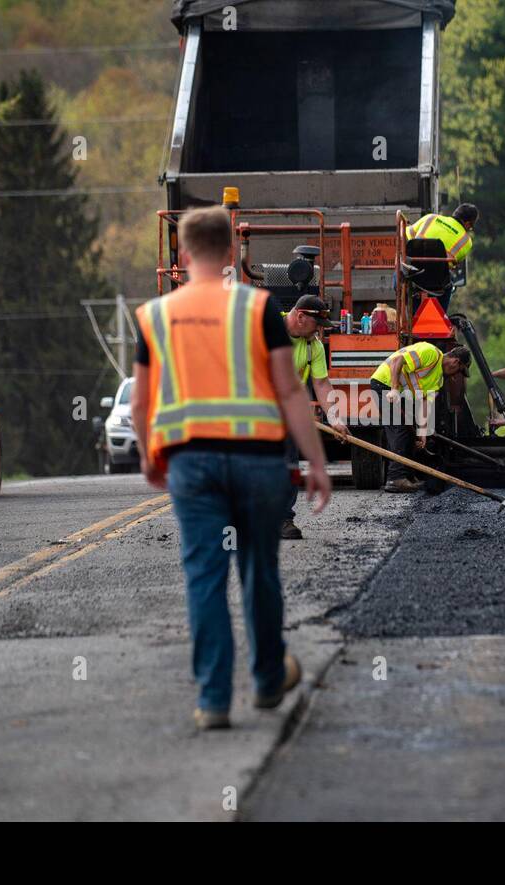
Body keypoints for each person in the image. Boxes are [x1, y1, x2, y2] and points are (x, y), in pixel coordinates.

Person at [132, 205, 332, 731]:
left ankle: (214, 700)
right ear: (229, 254)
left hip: (192, 465)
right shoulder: (259, 308)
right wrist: (316, 460)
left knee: (204, 576)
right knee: (259, 571)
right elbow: (290, 390)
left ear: (183, 253)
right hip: (258, 460)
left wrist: (150, 456)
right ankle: (268, 680)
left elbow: (143, 402)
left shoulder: (156, 316)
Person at [282, 295, 348, 540]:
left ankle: (283, 520)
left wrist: (335, 419)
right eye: (317, 324)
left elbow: (321, 383)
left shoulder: (314, 345)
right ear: (300, 317)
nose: (320, 330)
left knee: (288, 463)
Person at [368, 341, 471, 493]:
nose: (457, 376)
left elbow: (425, 403)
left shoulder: (439, 379)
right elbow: (398, 361)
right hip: (384, 383)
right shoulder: (430, 353)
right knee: (399, 428)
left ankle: (408, 476)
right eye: (460, 371)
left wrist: (422, 432)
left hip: (401, 393)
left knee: (411, 433)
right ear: (456, 362)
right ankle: (395, 478)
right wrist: (394, 389)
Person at [404, 203, 478, 308]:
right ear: (467, 224)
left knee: (400, 267)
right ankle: (441, 315)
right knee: (449, 282)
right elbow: (454, 263)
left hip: (412, 274)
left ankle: (399, 292)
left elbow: (408, 234)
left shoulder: (431, 218)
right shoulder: (466, 241)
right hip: (436, 281)